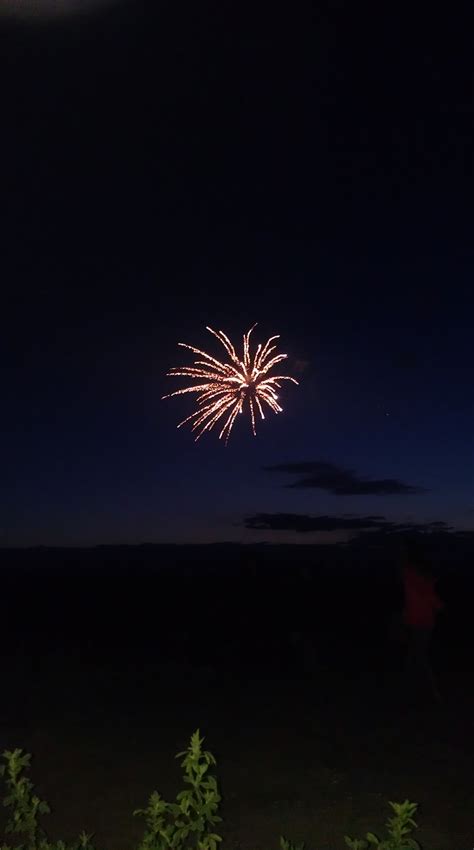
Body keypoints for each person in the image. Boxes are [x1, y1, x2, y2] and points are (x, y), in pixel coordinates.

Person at [401, 543, 443, 702]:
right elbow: (431, 598)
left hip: (422, 623)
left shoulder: (412, 575)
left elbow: (429, 598)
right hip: (418, 622)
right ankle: (419, 689)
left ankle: (432, 691)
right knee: (415, 654)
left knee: (418, 655)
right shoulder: (415, 576)